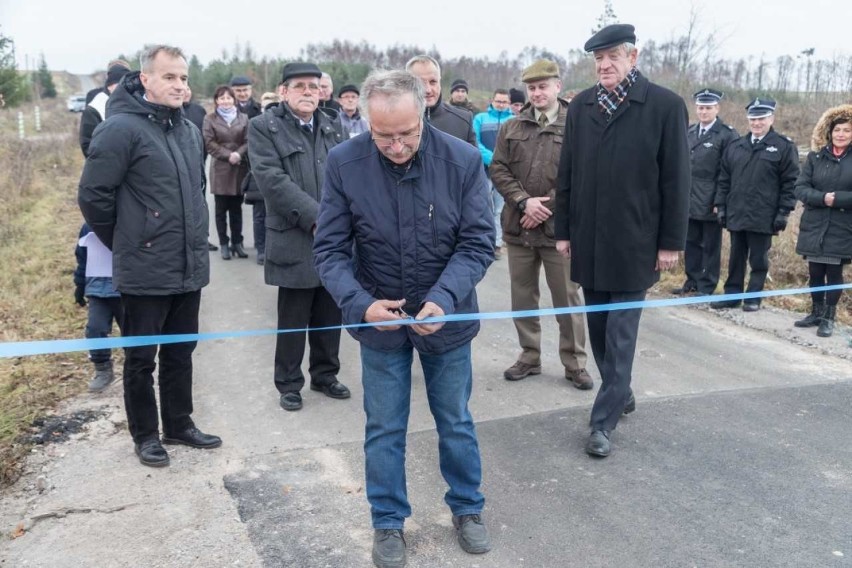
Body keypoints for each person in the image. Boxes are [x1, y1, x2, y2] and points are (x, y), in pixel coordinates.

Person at [313, 69, 494, 568]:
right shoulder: (344, 163)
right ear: (367, 121)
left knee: (455, 419)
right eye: (382, 135)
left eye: (406, 135)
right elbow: (328, 249)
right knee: (384, 426)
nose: (395, 146)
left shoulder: (459, 160)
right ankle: (388, 520)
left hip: (447, 318)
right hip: (380, 322)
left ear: (423, 112)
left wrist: (445, 298)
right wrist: (360, 303)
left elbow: (478, 242)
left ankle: (467, 507)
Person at [78, 44, 220, 468]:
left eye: (184, 77)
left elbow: (195, 191)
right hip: (145, 267)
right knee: (142, 358)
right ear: (146, 79)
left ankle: (180, 423)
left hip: (188, 265)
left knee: (181, 351)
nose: (180, 85)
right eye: (170, 77)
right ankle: (146, 435)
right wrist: (127, 239)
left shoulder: (189, 131)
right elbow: (93, 194)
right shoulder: (119, 129)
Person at [555, 24, 690, 458]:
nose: (604, 65)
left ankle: (602, 422)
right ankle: (621, 389)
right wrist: (563, 230)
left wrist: (670, 242)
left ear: (633, 57)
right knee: (597, 329)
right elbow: (568, 173)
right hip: (590, 241)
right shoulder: (582, 105)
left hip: (636, 243)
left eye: (613, 56)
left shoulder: (665, 106)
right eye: (598, 59)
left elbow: (676, 179)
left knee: (621, 335)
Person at [248, 62, 350, 412]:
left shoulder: (333, 125)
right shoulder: (264, 127)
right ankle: (289, 383)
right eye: (300, 86)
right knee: (293, 316)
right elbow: (272, 181)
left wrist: (343, 221)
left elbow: (347, 174)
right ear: (284, 91)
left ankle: (325, 374)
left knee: (329, 309)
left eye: (314, 86)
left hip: (334, 237)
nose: (309, 92)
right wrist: (319, 219)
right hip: (295, 235)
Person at [492, 60, 591, 390]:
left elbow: (582, 177)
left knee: (567, 299)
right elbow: (499, 170)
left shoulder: (578, 125)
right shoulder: (512, 126)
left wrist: (544, 206)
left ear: (557, 87)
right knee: (522, 297)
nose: (537, 92)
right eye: (532, 87)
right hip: (519, 227)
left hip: (558, 232)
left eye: (543, 86)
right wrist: (524, 202)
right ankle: (529, 356)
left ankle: (575, 362)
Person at [710, 98, 799, 311]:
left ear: (771, 119)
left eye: (761, 119)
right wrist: (721, 206)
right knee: (735, 258)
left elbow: (791, 182)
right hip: (737, 211)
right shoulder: (736, 146)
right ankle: (732, 295)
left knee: (759, 259)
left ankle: (753, 297)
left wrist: (784, 211)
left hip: (764, 214)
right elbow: (724, 179)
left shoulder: (783, 147)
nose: (757, 123)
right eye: (753, 119)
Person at [671, 88, 738, 296]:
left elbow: (727, 171)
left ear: (717, 108)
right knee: (690, 242)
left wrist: (720, 201)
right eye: (700, 107)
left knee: (710, 245)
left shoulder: (726, 134)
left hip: (711, 197)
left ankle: (707, 284)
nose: (703, 112)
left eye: (708, 108)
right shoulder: (690, 131)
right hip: (690, 197)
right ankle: (692, 280)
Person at [793, 104, 852, 337]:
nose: (841, 135)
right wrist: (821, 198)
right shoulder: (816, 157)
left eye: (846, 130)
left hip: (843, 226)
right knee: (815, 270)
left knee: (834, 272)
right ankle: (816, 312)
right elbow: (800, 187)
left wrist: (836, 199)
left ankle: (829, 317)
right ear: (829, 132)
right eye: (837, 130)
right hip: (815, 223)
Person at [73, 223, 122, 393]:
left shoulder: (131, 221)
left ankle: (137, 368)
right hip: (97, 291)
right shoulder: (88, 227)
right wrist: (80, 287)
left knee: (133, 332)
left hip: (127, 290)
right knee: (95, 328)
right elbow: (82, 260)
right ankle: (102, 368)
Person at [203, 85, 250, 260]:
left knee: (237, 209)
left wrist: (239, 153)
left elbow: (248, 140)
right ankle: (224, 243)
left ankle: (237, 243)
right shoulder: (210, 119)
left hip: (239, 167)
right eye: (222, 98)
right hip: (221, 169)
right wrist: (228, 154)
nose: (225, 101)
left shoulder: (244, 118)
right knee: (221, 210)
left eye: (228, 98)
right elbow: (209, 143)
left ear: (234, 100)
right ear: (216, 101)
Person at [473, 88, 514, 259]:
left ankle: (496, 244)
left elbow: (516, 147)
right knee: (482, 208)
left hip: (504, 173)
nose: (501, 105)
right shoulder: (480, 118)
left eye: (504, 102)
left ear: (509, 103)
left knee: (499, 210)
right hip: (483, 171)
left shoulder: (514, 121)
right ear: (492, 100)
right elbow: (475, 141)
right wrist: (493, 159)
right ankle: (481, 243)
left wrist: (502, 163)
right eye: (498, 101)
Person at [405, 55, 476, 145]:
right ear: (407, 84)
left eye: (433, 82)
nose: (428, 90)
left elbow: (473, 158)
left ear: (439, 82)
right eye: (420, 83)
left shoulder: (463, 120)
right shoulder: (394, 121)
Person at [79, 64, 131, 157]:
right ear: (109, 86)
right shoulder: (95, 109)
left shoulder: (133, 104)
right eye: (119, 84)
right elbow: (88, 146)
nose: (123, 88)